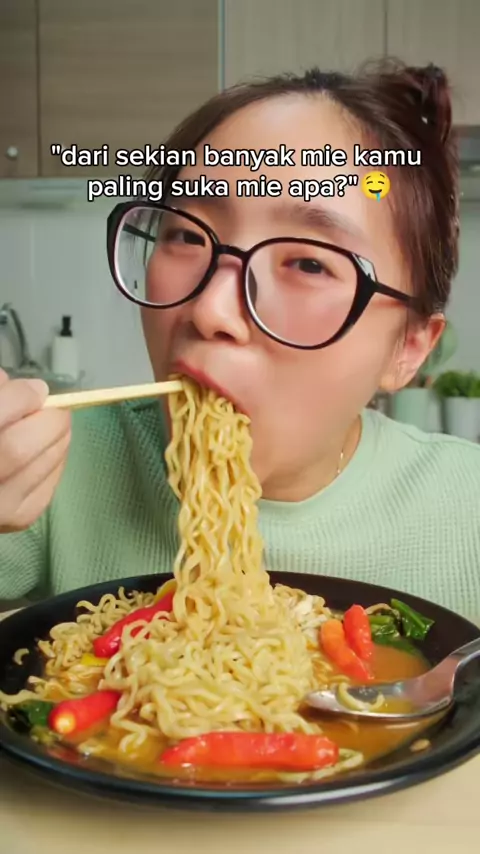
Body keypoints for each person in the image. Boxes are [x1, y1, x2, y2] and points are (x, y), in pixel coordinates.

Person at [0, 59, 479, 619]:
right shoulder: (51, 463)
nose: (210, 309)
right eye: (185, 235)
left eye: (308, 263)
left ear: (410, 348)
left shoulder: (466, 508)